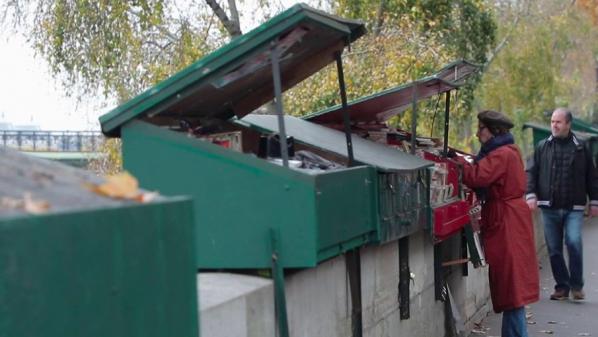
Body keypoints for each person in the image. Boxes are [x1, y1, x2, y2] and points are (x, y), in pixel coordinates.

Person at [453, 110, 539, 337]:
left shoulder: (501, 154)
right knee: (513, 290)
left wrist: (458, 162)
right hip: (509, 219)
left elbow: (477, 177)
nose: (477, 132)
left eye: (481, 128)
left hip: (507, 221)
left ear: (493, 130)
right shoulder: (505, 151)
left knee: (512, 290)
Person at [526, 107, 598, 301]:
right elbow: (531, 172)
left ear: (568, 124)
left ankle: (576, 285)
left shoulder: (581, 147)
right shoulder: (542, 146)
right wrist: (530, 194)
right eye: (552, 122)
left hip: (573, 207)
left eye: (558, 122)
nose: (554, 125)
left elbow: (592, 177)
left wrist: (595, 202)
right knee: (554, 249)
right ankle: (562, 287)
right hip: (549, 207)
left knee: (573, 242)